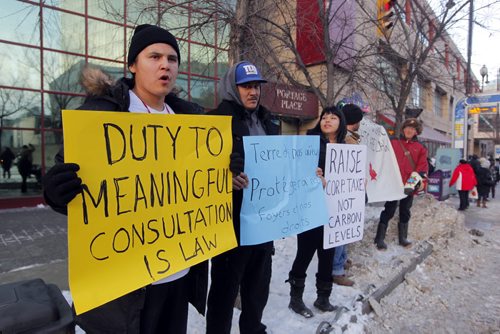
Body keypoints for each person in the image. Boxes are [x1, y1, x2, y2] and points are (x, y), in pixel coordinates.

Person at [42, 24, 207, 334]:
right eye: (154, 56)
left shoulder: (190, 120)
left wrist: (226, 170)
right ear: (133, 65)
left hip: (178, 274)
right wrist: (55, 191)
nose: (164, 65)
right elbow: (73, 188)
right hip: (127, 286)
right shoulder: (103, 114)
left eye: (172, 59)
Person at [205, 61, 278, 334]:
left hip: (263, 224)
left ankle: (252, 329)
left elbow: (281, 166)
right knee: (224, 292)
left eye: (257, 86)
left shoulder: (270, 121)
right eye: (246, 86)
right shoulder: (215, 121)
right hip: (230, 226)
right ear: (232, 88)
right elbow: (198, 172)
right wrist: (224, 175)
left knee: (258, 288)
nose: (253, 92)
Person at [287, 106, 347, 318]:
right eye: (324, 117)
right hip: (310, 207)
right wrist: (311, 174)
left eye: (333, 117)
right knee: (305, 252)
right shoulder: (309, 142)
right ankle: (295, 298)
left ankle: (323, 298)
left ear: (341, 122)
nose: (327, 120)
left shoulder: (346, 148)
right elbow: (295, 169)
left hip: (334, 210)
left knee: (327, 255)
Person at [374, 118, 428, 250]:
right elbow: (382, 159)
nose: (409, 130)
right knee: (389, 210)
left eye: (413, 129)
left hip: (408, 186)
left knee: (405, 211)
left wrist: (411, 184)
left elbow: (421, 168)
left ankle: (402, 237)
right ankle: (379, 238)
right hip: (393, 183)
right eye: (407, 127)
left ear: (416, 132)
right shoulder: (393, 143)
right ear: (403, 129)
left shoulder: (420, 148)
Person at [331, 103, 363, 287]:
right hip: (343, 194)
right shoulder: (347, 139)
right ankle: (337, 268)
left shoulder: (350, 137)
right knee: (340, 231)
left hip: (348, 192)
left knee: (344, 230)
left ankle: (341, 260)